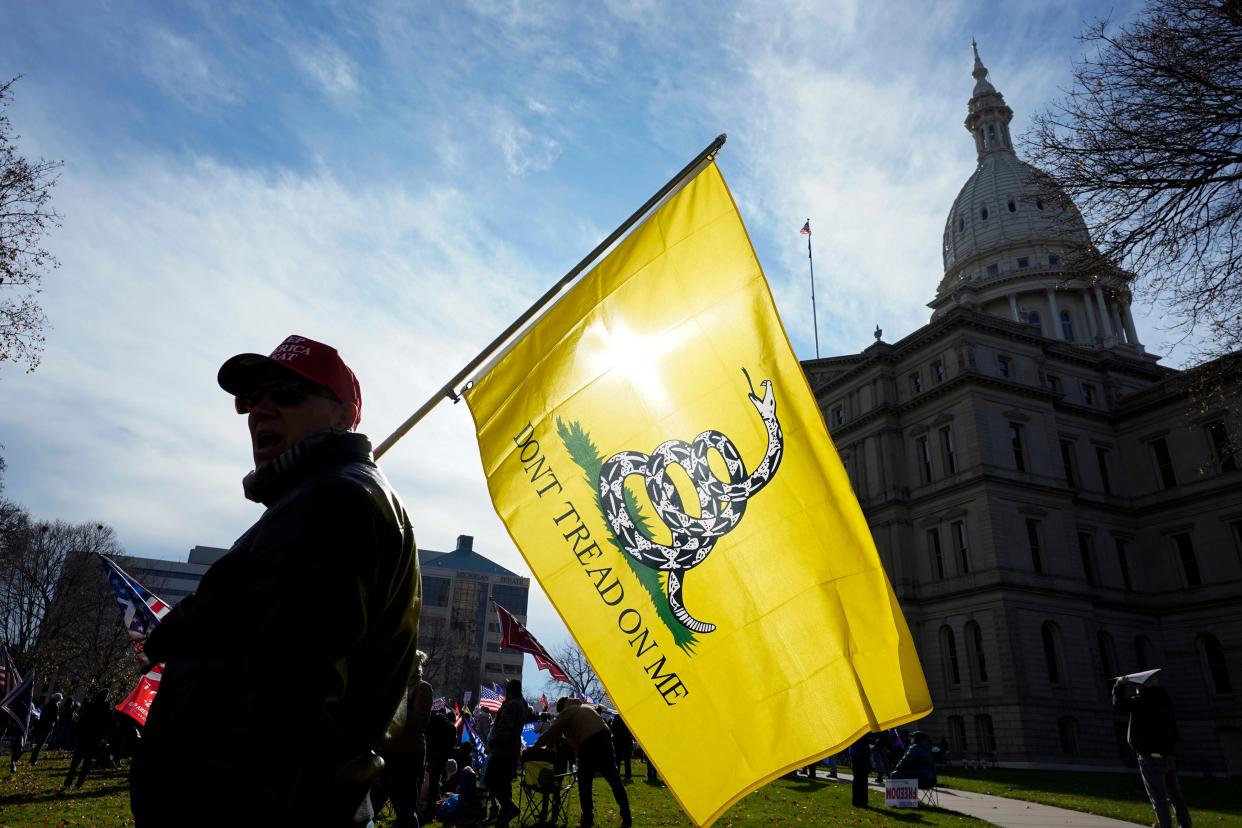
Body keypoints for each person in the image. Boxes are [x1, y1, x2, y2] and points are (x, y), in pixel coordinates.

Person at [130, 334, 420, 826]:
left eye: (286, 392)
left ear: (343, 414)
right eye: (251, 398)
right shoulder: (314, 502)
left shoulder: (335, 502)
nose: (260, 409)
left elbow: (289, 704)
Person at [531, 697, 632, 828]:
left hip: (588, 743)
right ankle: (626, 815)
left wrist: (536, 747)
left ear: (561, 708)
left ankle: (587, 819)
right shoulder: (586, 708)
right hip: (605, 739)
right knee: (614, 780)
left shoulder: (567, 712)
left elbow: (553, 732)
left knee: (584, 783)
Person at [1113, 673, 1192, 828]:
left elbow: (1119, 705)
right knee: (1176, 796)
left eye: (1137, 685)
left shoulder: (1141, 701)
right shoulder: (1164, 700)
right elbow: (1173, 730)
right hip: (1168, 755)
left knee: (1158, 797)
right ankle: (1185, 825)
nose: (1136, 688)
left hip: (1149, 757)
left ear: (1142, 685)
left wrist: (1119, 686)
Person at [373, 651, 434, 827]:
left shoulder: (422, 688)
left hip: (408, 753)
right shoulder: (395, 687)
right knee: (374, 801)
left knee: (405, 806)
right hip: (387, 751)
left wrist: (393, 708)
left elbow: (419, 723)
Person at [484, 679, 528, 828]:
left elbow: (505, 728)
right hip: (512, 749)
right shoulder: (521, 704)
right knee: (504, 784)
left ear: (509, 691)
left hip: (503, 749)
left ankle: (509, 807)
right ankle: (504, 817)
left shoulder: (512, 705)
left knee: (490, 780)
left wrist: (492, 743)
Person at [63, 689, 112, 790]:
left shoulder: (90, 705)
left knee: (75, 762)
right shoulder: (107, 710)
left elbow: (81, 720)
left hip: (83, 737)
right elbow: (107, 726)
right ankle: (79, 784)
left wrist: (77, 734)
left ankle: (67, 783)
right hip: (95, 739)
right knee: (86, 764)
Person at [28, 692, 63, 765]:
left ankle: (33, 758)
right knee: (40, 744)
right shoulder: (55, 706)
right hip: (48, 726)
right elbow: (55, 718)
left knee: (38, 743)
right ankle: (33, 760)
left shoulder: (47, 704)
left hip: (42, 724)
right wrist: (57, 718)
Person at [847, 735, 871, 807]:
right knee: (861, 779)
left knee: (859, 779)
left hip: (857, 754)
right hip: (860, 755)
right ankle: (860, 801)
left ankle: (859, 800)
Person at [610, 714, 633, 779]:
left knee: (617, 758)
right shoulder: (627, 717)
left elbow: (612, 728)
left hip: (618, 739)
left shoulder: (616, 717)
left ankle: (617, 773)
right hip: (626, 738)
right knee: (627, 758)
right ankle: (628, 774)